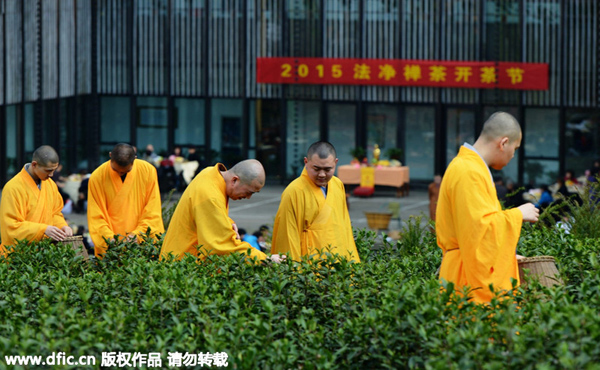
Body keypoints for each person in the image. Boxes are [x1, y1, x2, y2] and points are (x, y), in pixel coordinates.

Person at [436, 112, 539, 304]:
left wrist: (506, 254)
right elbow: (478, 230)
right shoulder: (468, 171)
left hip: (467, 266)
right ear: (503, 143)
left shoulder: (471, 167)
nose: (513, 155)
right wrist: (518, 214)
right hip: (466, 277)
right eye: (515, 148)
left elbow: (477, 229)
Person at [160, 159, 283, 263]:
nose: (248, 197)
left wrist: (226, 222)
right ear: (235, 180)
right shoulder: (210, 196)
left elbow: (203, 215)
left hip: (178, 260)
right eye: (249, 192)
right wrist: (266, 259)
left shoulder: (209, 173)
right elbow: (221, 246)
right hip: (181, 267)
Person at [271, 141, 360, 262]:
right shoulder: (294, 191)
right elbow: (287, 236)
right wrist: (293, 272)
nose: (322, 174)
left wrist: (351, 262)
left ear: (336, 163)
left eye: (328, 169)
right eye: (316, 169)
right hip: (309, 267)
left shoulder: (338, 184)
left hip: (339, 263)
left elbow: (344, 227)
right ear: (306, 162)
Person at [87, 143, 164, 258]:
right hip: (111, 246)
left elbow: (153, 211)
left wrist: (137, 235)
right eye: (115, 170)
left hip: (141, 243)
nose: (119, 174)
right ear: (110, 155)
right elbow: (96, 216)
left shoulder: (148, 171)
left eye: (125, 171)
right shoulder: (97, 177)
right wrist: (110, 239)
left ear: (135, 159)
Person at [0, 145, 73, 256]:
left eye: (54, 170)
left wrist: (63, 226)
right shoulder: (13, 188)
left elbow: (55, 213)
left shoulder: (51, 185)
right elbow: (11, 227)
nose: (51, 175)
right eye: (48, 170)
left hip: (44, 253)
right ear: (34, 164)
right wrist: (42, 230)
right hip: (19, 256)